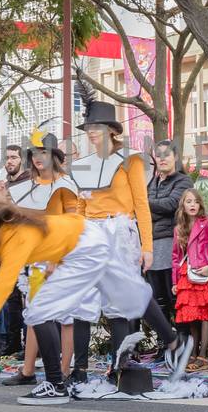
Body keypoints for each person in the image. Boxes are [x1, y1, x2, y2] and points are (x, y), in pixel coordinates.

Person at [0, 191, 193, 404]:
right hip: (86, 236)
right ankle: (175, 342)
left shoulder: (17, 235)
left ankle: (56, 384)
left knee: (39, 310)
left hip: (85, 246)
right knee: (132, 293)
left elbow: (2, 285)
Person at [64, 101, 182, 383]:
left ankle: (120, 366)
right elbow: (80, 206)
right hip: (90, 232)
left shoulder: (130, 160)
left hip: (119, 231)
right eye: (89, 128)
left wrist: (148, 247)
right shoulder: (84, 166)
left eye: (97, 127)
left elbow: (142, 205)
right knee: (82, 301)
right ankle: (79, 371)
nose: (92, 133)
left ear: (112, 131)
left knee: (118, 302)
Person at [0, 137, 80, 386]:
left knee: (65, 317)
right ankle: (28, 370)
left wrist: (58, 256)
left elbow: (73, 220)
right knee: (35, 314)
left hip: (61, 256)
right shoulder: (29, 186)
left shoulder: (65, 183)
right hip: (36, 255)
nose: (37, 157)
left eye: (43, 152)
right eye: (34, 153)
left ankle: (64, 372)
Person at [172, 188, 208, 371]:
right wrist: (175, 281)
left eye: (195, 201)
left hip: (203, 274)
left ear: (200, 204)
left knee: (205, 316)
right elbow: (176, 258)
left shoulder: (207, 223)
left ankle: (203, 355)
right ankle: (193, 354)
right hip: (187, 276)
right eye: (188, 202)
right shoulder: (179, 229)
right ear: (183, 206)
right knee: (192, 317)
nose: (192, 205)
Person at [145, 140, 192, 324]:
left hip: (171, 245)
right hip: (150, 245)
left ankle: (183, 343)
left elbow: (172, 205)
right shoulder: (151, 182)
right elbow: (158, 210)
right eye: (158, 155)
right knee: (158, 300)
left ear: (176, 157)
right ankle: (166, 345)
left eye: (167, 155)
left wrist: (143, 204)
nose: (162, 159)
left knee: (175, 298)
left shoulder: (183, 180)